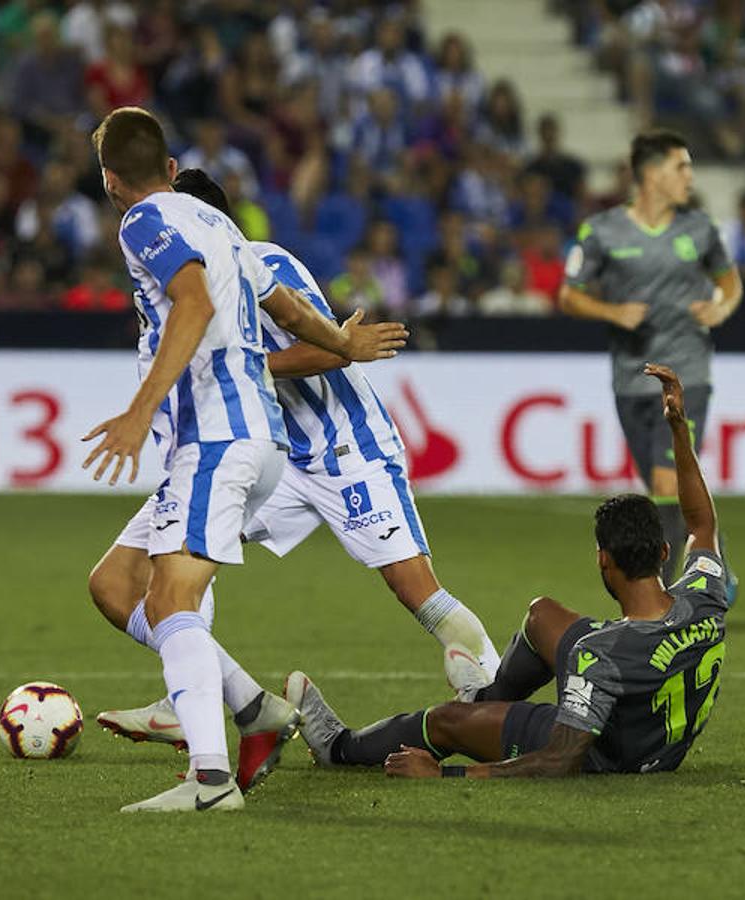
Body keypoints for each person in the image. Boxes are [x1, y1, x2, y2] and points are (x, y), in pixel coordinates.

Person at [93, 168, 502, 755]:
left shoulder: (263, 261)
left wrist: (241, 363)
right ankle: (215, 695)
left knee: (420, 593)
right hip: (270, 454)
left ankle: (495, 711)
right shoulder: (184, 286)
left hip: (346, 449)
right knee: (135, 574)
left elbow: (329, 347)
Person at [81, 107, 406, 813]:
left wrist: (140, 411)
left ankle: (209, 780)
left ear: (111, 181)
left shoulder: (142, 222)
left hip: (219, 437)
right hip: (254, 439)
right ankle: (250, 705)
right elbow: (285, 307)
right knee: (115, 585)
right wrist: (342, 344)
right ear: (170, 168)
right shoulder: (223, 224)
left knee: (171, 601)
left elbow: (192, 303)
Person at [286, 365, 731, 779]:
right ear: (664, 553)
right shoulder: (704, 594)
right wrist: (678, 427)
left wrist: (447, 774)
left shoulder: (601, 655)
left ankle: (338, 747)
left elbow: (560, 758)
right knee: (543, 615)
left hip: (611, 753)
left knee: (448, 722)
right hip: (651, 720)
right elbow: (702, 522)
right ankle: (482, 697)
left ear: (603, 560)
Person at [558, 130, 741, 589]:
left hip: (686, 374)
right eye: (682, 167)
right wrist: (611, 311)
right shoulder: (601, 231)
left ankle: (661, 600)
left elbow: (730, 282)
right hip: (630, 379)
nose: (689, 176)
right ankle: (713, 556)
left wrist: (720, 306)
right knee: (668, 490)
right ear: (653, 174)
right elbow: (568, 296)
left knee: (664, 482)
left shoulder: (699, 228)